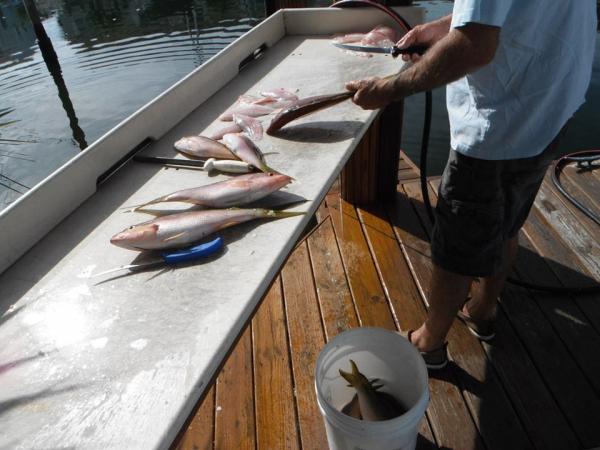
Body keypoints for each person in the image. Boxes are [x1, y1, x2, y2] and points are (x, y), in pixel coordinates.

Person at [345, 0, 597, 369]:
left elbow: (474, 46)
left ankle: (429, 343)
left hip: (499, 121)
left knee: (456, 245)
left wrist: (388, 89)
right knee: (508, 219)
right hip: (551, 108)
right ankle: (483, 309)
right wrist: (442, 28)